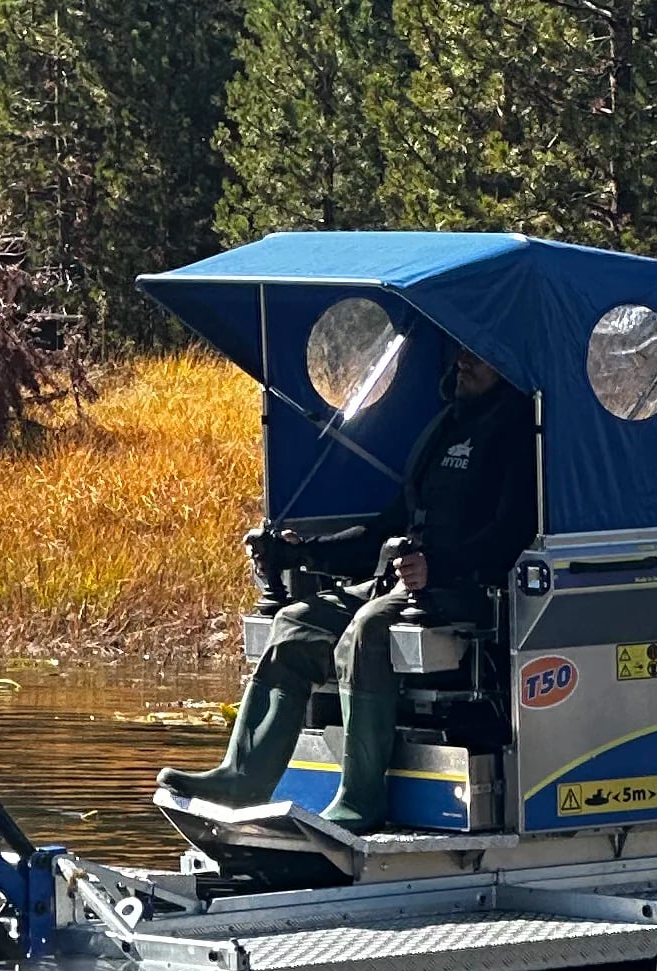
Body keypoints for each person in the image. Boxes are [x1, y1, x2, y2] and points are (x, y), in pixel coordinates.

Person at [163, 338, 532, 830]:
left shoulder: (518, 433)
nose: (464, 361)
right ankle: (241, 779)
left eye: (479, 355)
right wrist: (307, 551)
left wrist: (437, 568)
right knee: (296, 622)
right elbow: (387, 527)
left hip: (470, 588)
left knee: (366, 628)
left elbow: (511, 533)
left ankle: (360, 800)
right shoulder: (446, 427)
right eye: (460, 352)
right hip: (403, 581)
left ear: (507, 366)